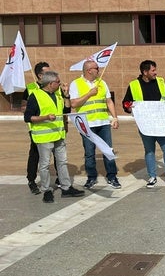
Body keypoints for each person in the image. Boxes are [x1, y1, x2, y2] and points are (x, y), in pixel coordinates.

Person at [122, 60, 165, 188]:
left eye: (155, 70)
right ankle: (152, 177)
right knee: (149, 151)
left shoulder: (161, 82)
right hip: (146, 125)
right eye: (153, 70)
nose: (156, 73)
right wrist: (129, 108)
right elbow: (126, 103)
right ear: (145, 72)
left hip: (162, 124)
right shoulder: (134, 85)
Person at [24, 71, 85, 203]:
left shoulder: (57, 95)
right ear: (50, 83)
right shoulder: (35, 96)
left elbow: (67, 111)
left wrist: (66, 94)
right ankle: (47, 190)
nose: (60, 83)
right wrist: (45, 118)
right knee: (45, 164)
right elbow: (27, 117)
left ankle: (66, 187)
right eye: (58, 82)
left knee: (62, 162)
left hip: (59, 135)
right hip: (43, 137)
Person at [69, 61, 120, 189]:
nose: (98, 70)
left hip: (103, 123)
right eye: (96, 68)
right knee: (89, 152)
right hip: (86, 125)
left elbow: (109, 101)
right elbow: (74, 104)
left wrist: (114, 117)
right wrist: (89, 94)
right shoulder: (76, 84)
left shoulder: (102, 83)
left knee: (108, 150)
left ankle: (112, 176)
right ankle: (91, 177)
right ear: (89, 70)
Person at [21, 62, 58, 194]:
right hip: (38, 129)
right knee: (35, 154)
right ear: (40, 75)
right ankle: (31, 180)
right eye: (47, 73)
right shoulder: (30, 88)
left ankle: (60, 179)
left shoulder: (55, 86)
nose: (51, 75)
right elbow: (24, 108)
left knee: (57, 153)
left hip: (55, 128)